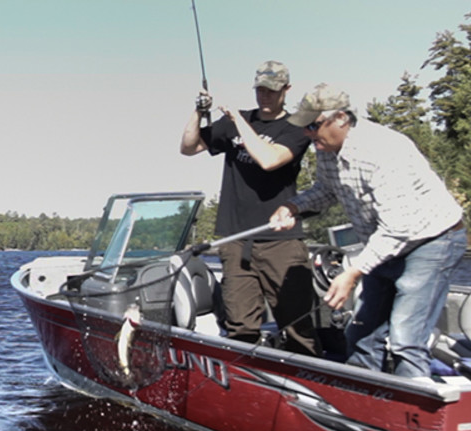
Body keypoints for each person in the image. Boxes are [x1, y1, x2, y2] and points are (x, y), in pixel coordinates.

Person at [270, 83, 467, 378]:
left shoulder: (384, 152)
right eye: (305, 127)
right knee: (361, 337)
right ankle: (363, 400)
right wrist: (292, 207)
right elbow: (326, 190)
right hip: (386, 244)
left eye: (313, 125)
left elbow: (399, 228)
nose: (308, 134)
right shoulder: (325, 149)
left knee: (404, 339)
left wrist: (352, 272)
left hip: (432, 241)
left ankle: (413, 414)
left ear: (341, 119)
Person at [180, 60, 322, 357]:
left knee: (297, 326)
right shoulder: (237, 121)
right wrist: (198, 112)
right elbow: (189, 147)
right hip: (236, 240)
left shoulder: (297, 127)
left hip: (281, 241)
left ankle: (308, 381)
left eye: (271, 90)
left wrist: (238, 121)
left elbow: (269, 160)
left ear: (286, 89)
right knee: (240, 325)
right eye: (259, 90)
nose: (264, 96)